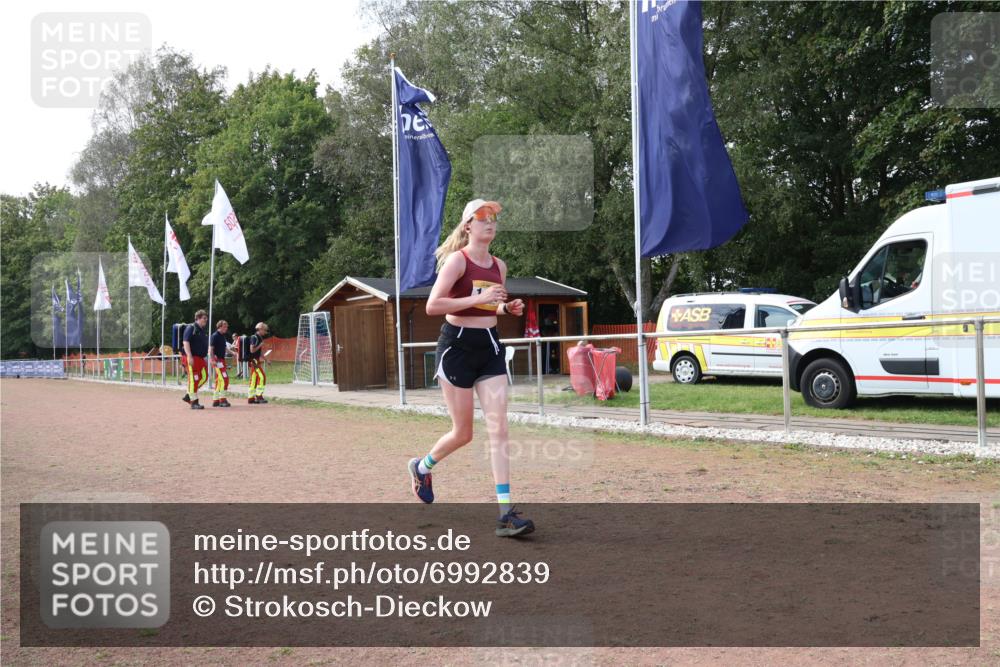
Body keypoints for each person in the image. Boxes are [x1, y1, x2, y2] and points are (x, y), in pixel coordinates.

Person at [407, 199, 533, 538]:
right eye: (482, 218)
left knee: (499, 428)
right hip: (457, 347)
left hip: (489, 346)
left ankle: (506, 513)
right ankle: (421, 466)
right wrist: (478, 300)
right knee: (463, 433)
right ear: (467, 226)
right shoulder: (456, 261)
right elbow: (434, 305)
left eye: (493, 218)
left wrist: (509, 309)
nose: (489, 223)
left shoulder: (499, 265)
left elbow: (493, 306)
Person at [181, 310, 210, 410]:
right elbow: (185, 342)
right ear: (198, 318)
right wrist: (189, 356)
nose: (206, 320)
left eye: (206, 318)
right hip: (192, 357)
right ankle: (194, 401)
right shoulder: (191, 327)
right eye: (204, 318)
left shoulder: (201, 330)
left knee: (205, 377)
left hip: (201, 358)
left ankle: (189, 394)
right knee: (194, 379)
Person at [210, 320, 232, 408]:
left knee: (219, 380)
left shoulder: (223, 336)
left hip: (221, 360)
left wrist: (233, 353)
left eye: (227, 327)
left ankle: (216, 400)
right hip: (217, 360)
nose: (226, 328)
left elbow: (225, 348)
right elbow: (211, 349)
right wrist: (213, 360)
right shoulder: (215, 336)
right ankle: (222, 399)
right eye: (224, 327)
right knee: (224, 378)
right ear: (219, 327)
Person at [247, 322, 269, 405]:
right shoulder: (254, 337)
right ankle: (259, 396)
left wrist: (266, 360)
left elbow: (260, 352)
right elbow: (252, 350)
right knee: (262, 376)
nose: (265, 332)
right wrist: (260, 345)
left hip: (256, 360)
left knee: (254, 379)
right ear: (260, 329)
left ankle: (251, 398)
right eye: (264, 330)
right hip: (254, 360)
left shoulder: (259, 338)